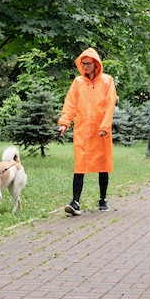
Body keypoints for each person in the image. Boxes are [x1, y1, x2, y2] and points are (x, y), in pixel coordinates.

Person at [58, 47, 117, 215]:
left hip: (101, 129)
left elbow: (110, 104)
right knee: (80, 165)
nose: (85, 66)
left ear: (96, 63)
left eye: (88, 63)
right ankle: (75, 202)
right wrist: (64, 123)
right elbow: (70, 104)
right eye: (83, 64)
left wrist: (105, 126)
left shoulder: (107, 81)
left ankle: (103, 199)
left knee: (103, 164)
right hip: (82, 129)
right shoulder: (78, 82)